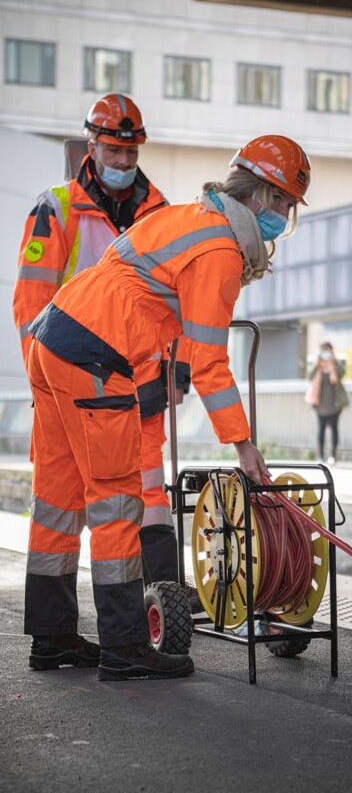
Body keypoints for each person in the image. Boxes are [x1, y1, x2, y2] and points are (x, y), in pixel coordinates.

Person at [21, 133, 311, 681]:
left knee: (58, 499)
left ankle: (52, 636)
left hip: (52, 340)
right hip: (96, 356)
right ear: (265, 198)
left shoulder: (184, 217)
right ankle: (125, 647)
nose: (285, 217)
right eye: (287, 204)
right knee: (115, 501)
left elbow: (138, 297)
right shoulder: (221, 251)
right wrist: (244, 446)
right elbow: (209, 364)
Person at [12, 93, 198, 611]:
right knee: (64, 501)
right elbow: (31, 306)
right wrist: (43, 387)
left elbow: (177, 297)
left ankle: (164, 604)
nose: (122, 163)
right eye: (113, 151)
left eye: (130, 154)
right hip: (76, 374)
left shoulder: (160, 210)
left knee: (148, 489)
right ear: (91, 146)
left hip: (142, 375)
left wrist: (176, 370)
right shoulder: (59, 208)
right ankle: (68, 631)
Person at [308, 341, 348, 464]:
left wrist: (333, 362)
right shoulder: (316, 363)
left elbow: (341, 374)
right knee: (321, 430)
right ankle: (320, 456)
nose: (325, 353)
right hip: (320, 404)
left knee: (334, 430)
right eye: (323, 350)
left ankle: (333, 456)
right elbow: (310, 376)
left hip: (335, 404)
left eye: (327, 350)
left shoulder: (337, 362)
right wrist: (318, 364)